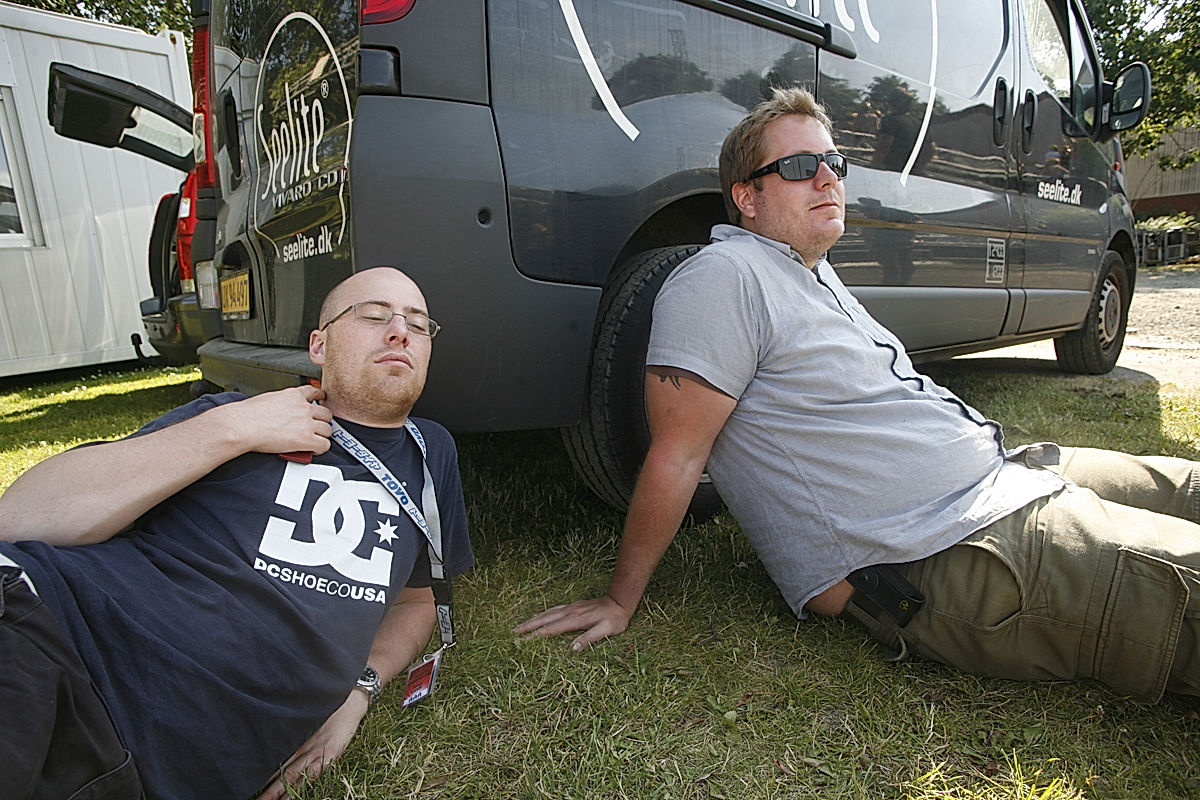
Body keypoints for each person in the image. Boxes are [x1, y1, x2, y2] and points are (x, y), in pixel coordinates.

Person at [515, 87, 1200, 704]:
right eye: (796, 167)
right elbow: (677, 455)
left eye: (833, 162)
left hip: (1009, 474)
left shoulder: (813, 274)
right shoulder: (721, 275)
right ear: (746, 196)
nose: (826, 178)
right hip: (953, 547)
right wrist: (618, 598)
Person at [0, 267, 474, 799]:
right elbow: (19, 517)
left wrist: (357, 693)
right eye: (373, 315)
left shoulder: (432, 457)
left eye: (418, 322)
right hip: (50, 632)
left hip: (140, 768)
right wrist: (234, 429)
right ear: (319, 345)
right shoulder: (238, 416)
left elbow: (417, 601)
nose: (399, 330)